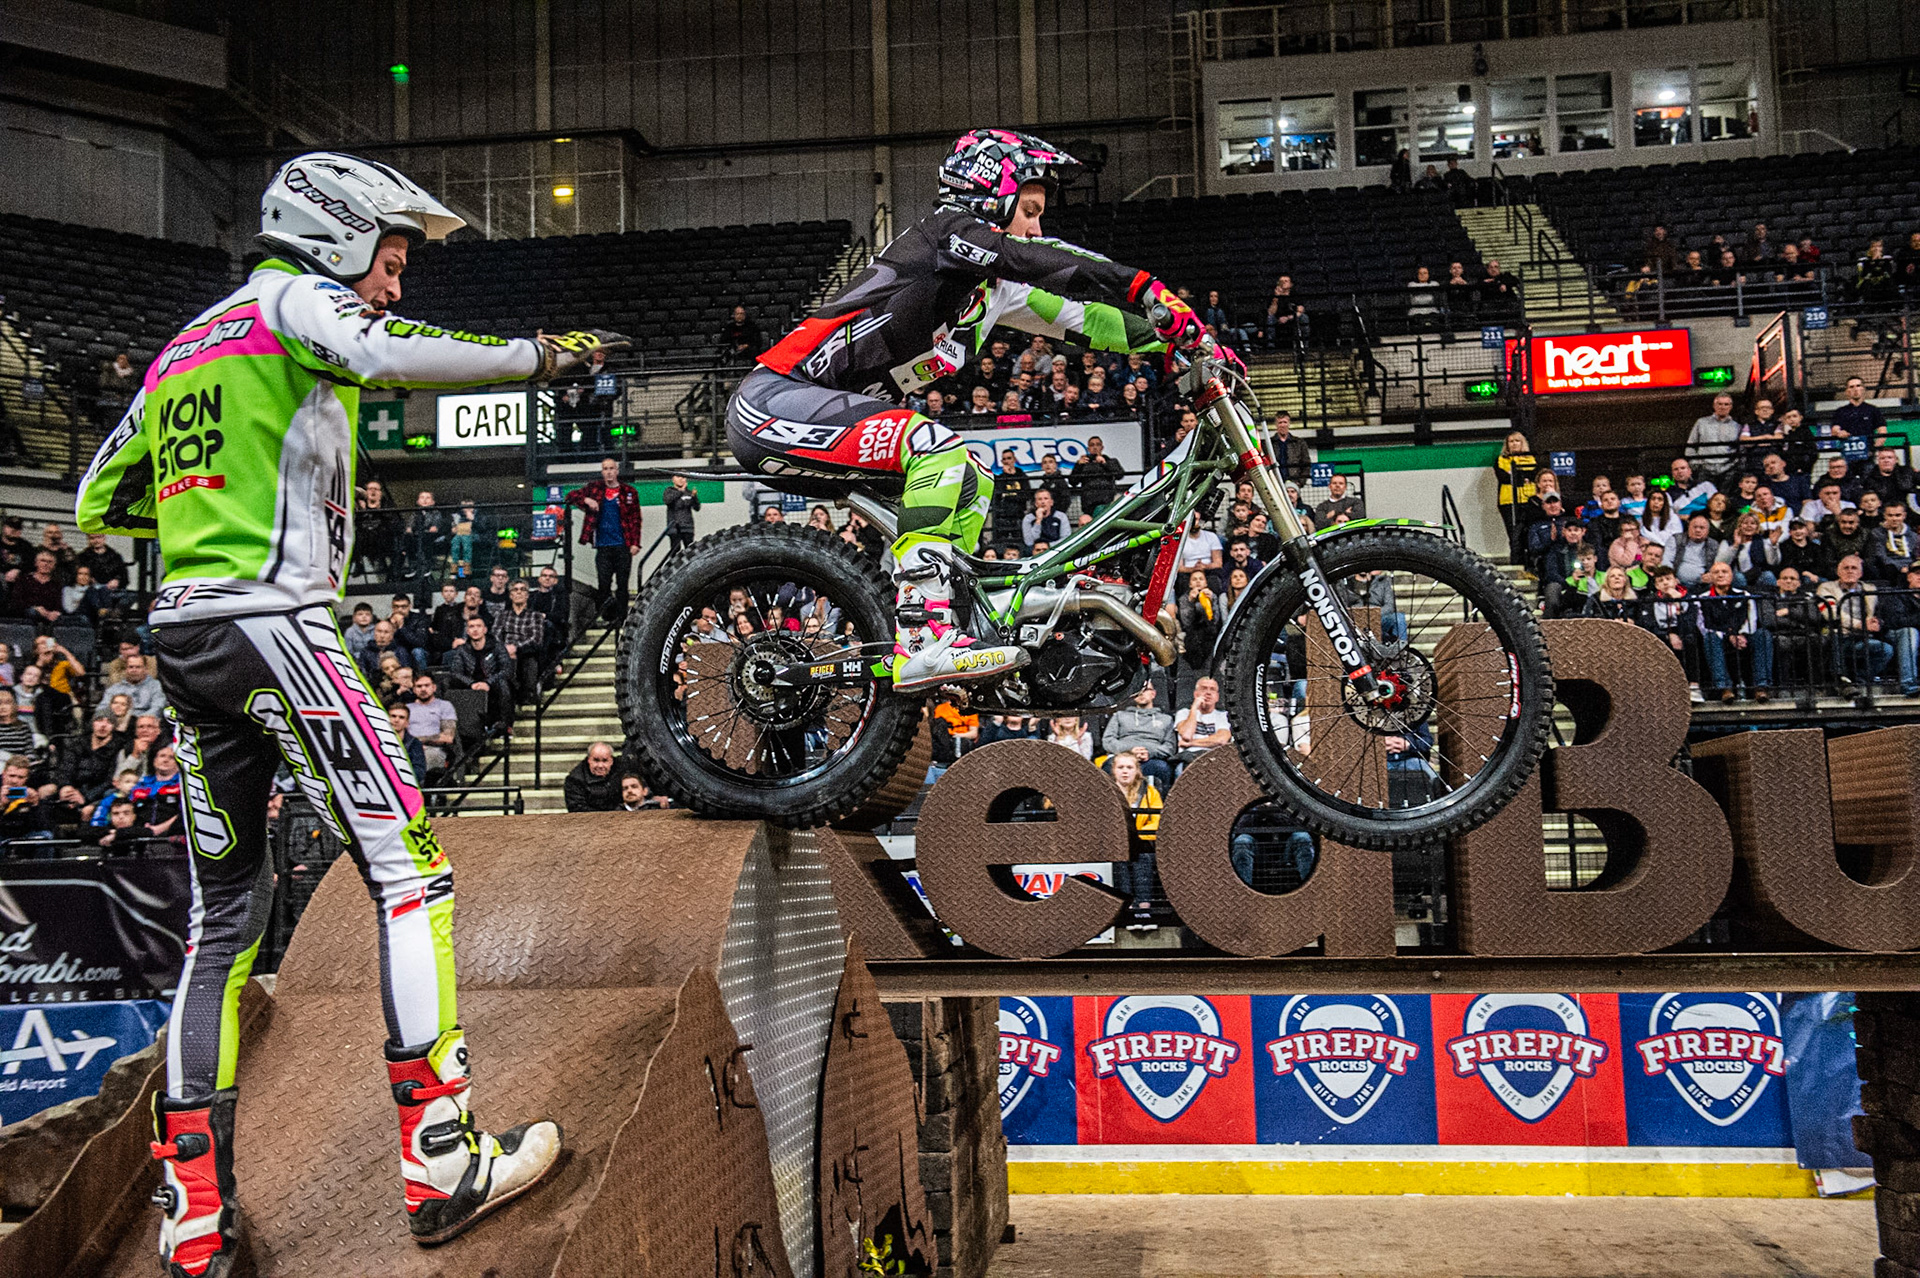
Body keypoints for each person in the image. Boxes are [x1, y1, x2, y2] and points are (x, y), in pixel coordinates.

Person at [74, 153, 618, 1268]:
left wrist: (201, 518)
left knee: (222, 921)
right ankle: (443, 1158)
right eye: (390, 256)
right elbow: (378, 347)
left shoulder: (185, 346)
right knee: (410, 871)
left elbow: (96, 498)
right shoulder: (294, 303)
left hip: (187, 640)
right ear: (333, 236)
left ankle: (192, 1227)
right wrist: (542, 355)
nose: (393, 285)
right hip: (279, 621)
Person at [724, 129, 1227, 693]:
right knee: (934, 447)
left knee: (972, 479)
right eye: (1030, 210)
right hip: (774, 399)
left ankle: (958, 624)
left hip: (823, 412)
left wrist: (1184, 342)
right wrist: (1143, 286)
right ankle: (923, 634)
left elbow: (1090, 323)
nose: (1038, 227)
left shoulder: (994, 291)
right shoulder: (945, 234)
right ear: (991, 194)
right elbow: (1037, 257)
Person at [565, 457, 643, 622]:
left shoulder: (629, 492)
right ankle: (607, 616)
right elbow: (570, 496)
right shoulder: (594, 489)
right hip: (603, 545)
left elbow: (636, 519)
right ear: (602, 472)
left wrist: (635, 543)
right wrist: (586, 500)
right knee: (604, 583)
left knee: (622, 584)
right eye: (605, 469)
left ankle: (622, 618)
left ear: (617, 471)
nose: (608, 472)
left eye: (611, 468)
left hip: (623, 544)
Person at [1101, 683, 1177, 787]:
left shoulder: (1166, 719)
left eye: (1145, 690)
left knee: (1163, 769)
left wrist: (1148, 752)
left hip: (1152, 759)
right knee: (1108, 767)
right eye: (1138, 690)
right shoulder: (1119, 716)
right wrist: (1129, 752)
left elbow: (1170, 747)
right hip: (1123, 758)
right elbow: (1108, 741)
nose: (1141, 693)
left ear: (1153, 694)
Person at [1175, 677, 1231, 768]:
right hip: (1188, 759)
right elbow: (1187, 735)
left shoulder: (1224, 716)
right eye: (1204, 688)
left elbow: (1221, 740)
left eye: (1212, 689)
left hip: (1215, 759)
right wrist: (1194, 708)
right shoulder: (1184, 713)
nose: (1208, 693)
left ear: (1217, 697)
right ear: (1195, 694)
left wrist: (1191, 743)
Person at [407, 673, 458, 773]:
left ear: (434, 687)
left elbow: (448, 737)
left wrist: (418, 741)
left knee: (429, 755)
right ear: (414, 690)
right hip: (408, 748)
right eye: (419, 686)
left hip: (433, 749)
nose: (423, 689)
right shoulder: (406, 708)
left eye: (427, 685)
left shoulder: (444, 706)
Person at [1071, 436, 1125, 516]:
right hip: (1089, 504)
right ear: (1088, 449)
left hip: (1107, 501)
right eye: (1092, 445)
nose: (1095, 447)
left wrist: (1105, 463)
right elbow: (1073, 481)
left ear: (1102, 447)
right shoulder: (1083, 464)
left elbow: (1120, 475)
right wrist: (1078, 466)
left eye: (1097, 445)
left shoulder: (1110, 461)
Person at [564, 741, 621, 812]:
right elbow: (577, 808)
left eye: (605, 761)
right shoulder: (575, 780)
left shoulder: (621, 770)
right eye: (596, 760)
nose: (600, 766)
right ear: (589, 760)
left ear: (611, 761)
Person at [662, 473, 701, 553]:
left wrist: (694, 497)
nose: (681, 479)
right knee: (675, 550)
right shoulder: (669, 491)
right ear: (673, 479)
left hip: (687, 527)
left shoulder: (689, 493)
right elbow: (668, 501)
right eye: (678, 477)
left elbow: (697, 508)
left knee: (690, 550)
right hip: (674, 527)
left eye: (683, 477)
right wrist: (681, 491)